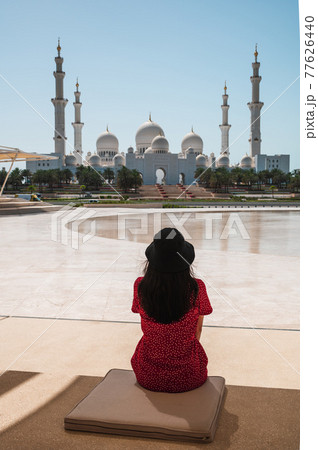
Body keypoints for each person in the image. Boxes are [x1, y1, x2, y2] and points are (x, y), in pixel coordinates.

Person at [131, 227, 213, 393]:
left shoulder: (140, 286)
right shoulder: (196, 288)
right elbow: (197, 331)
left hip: (148, 375)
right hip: (190, 376)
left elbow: (144, 325)